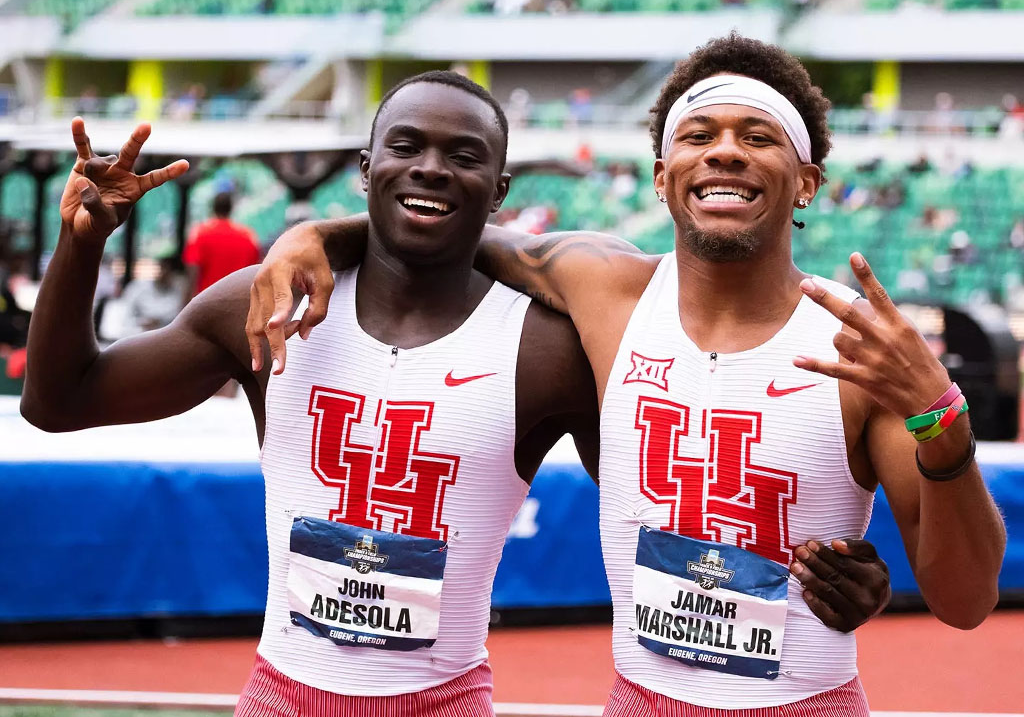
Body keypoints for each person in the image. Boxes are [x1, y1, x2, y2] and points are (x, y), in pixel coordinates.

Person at [24, 70, 887, 717]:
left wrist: (847, 581)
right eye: (406, 149)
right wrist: (82, 246)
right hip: (282, 693)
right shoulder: (266, 304)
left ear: (499, 191)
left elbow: (674, 508)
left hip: (447, 700)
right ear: (367, 167)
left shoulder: (548, 347)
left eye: (463, 156)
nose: (431, 170)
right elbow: (59, 401)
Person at [248, 36, 1003, 715]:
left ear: (806, 183)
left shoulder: (860, 349)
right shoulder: (604, 289)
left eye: (758, 136)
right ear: (662, 175)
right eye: (699, 135)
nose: (725, 152)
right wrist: (311, 234)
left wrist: (942, 417)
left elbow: (966, 602)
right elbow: (444, 219)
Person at [183, 191, 261, 301]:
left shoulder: (199, 233)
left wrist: (186, 302)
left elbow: (192, 271)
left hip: (207, 303)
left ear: (213, 208)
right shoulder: (248, 235)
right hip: (238, 303)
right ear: (231, 208)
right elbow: (256, 272)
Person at [120, 254, 189, 336]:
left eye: (169, 272)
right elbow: (123, 315)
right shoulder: (137, 288)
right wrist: (143, 322)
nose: (164, 274)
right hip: (135, 333)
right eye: (162, 269)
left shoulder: (179, 294)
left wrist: (159, 322)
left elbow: (176, 318)